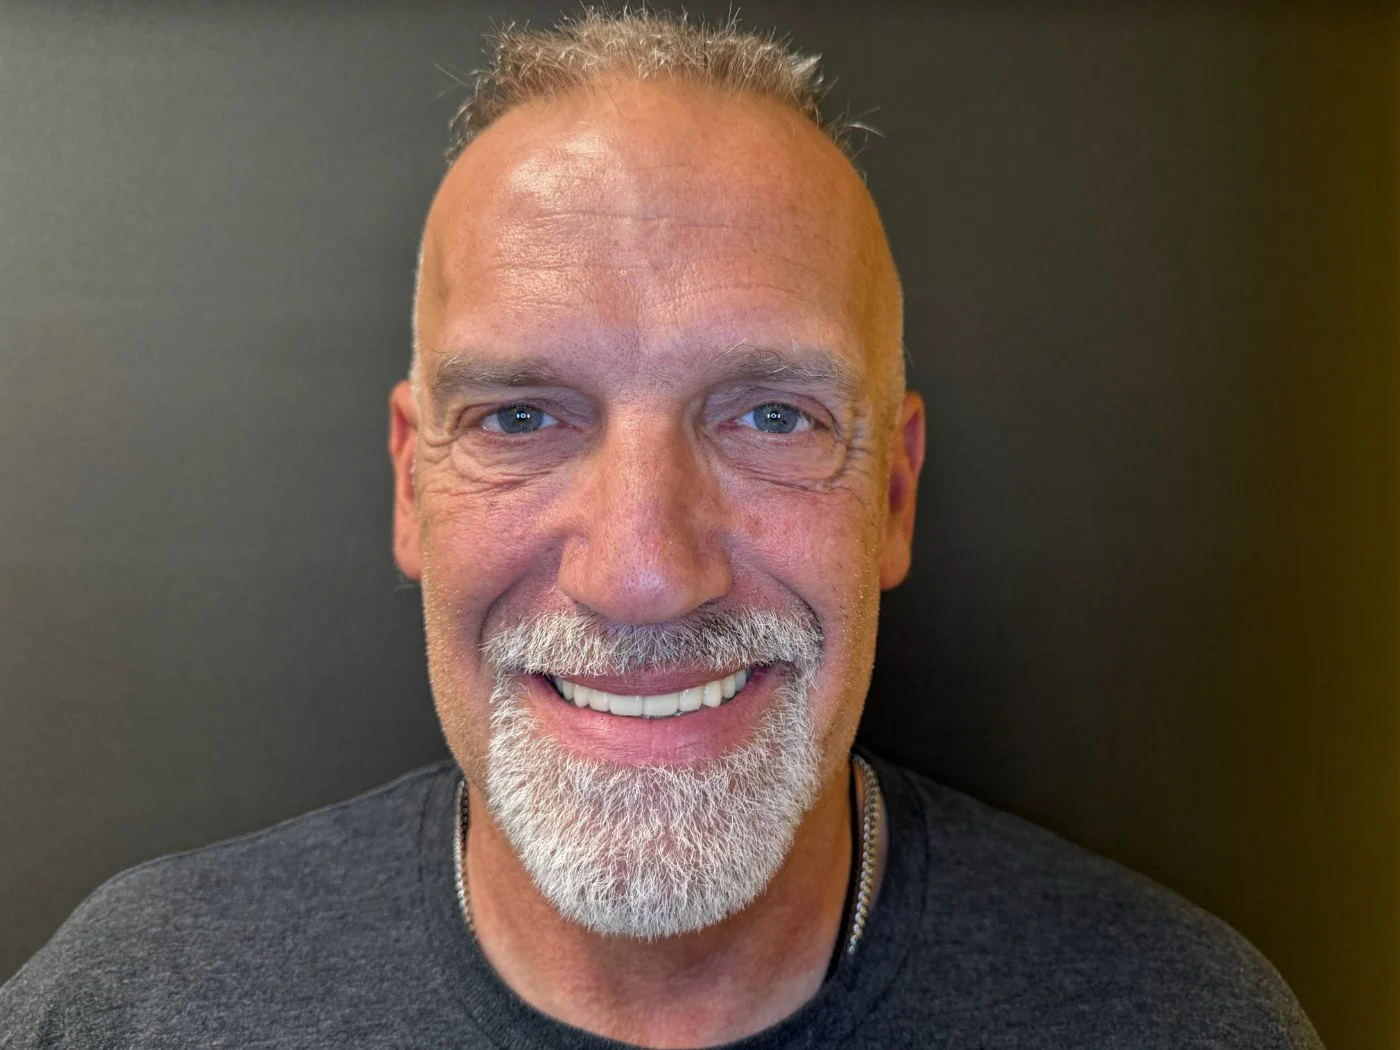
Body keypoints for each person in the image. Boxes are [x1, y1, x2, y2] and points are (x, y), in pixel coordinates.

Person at [0, 11, 1321, 1048]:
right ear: (413, 486)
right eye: (520, 417)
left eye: (772, 417)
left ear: (896, 495)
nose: (641, 571)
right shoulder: (132, 1005)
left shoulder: (1179, 1018)